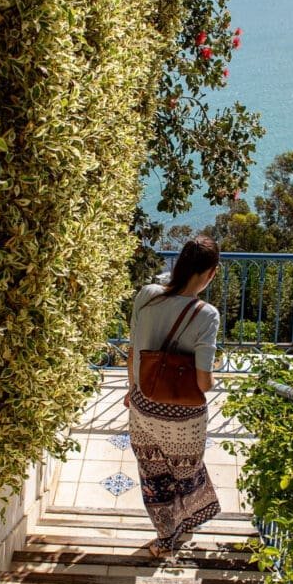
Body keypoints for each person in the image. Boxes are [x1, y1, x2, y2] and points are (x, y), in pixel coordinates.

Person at [125, 236, 222, 559]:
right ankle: (180, 530)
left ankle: (166, 535)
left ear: (179, 264)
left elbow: (133, 351)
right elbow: (203, 383)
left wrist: (133, 389)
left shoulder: (147, 296)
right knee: (186, 472)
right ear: (211, 273)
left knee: (154, 476)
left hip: (142, 404)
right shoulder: (207, 315)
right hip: (183, 416)